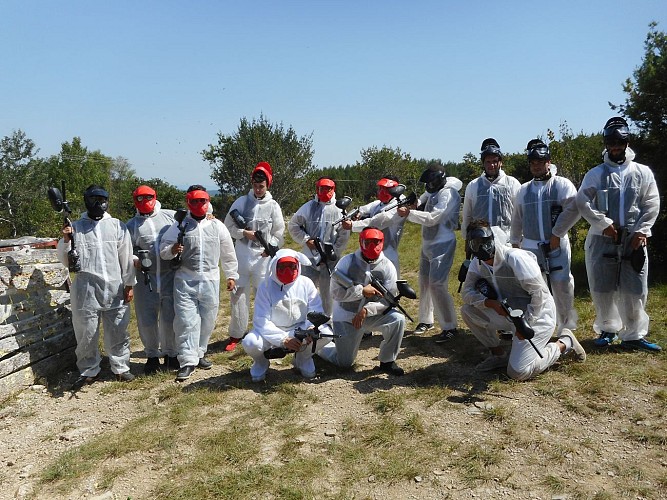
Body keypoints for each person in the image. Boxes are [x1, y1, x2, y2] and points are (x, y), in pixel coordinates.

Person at [461, 221, 586, 380]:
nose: (481, 248)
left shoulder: (515, 258)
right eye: (475, 243)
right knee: (468, 310)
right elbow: (467, 292)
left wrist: (525, 324)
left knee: (518, 372)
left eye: (484, 242)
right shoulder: (477, 264)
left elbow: (538, 294)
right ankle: (499, 355)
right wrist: (489, 303)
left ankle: (564, 343)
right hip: (508, 313)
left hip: (539, 315)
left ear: (492, 239)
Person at [576, 117, 661, 351]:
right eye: (610, 143)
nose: (615, 148)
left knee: (635, 288)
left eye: (619, 143)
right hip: (603, 239)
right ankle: (608, 329)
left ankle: (634, 335)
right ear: (606, 144)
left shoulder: (641, 173)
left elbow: (651, 203)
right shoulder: (596, 174)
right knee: (603, 287)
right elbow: (583, 201)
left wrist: (643, 230)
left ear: (626, 142)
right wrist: (602, 223)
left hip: (633, 239)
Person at [57, 185, 136, 386]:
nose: (99, 203)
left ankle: (120, 367)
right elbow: (65, 260)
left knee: (118, 329)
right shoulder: (75, 227)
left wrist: (129, 284)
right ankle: (89, 369)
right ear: (86, 200)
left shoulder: (118, 226)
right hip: (86, 289)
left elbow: (126, 258)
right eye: (94, 199)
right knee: (86, 332)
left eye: (102, 199)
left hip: (114, 287)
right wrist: (66, 239)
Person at [159, 185, 239, 381]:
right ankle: (187, 361)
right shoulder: (179, 226)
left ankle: (199, 353)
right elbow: (163, 250)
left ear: (208, 202)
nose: (199, 205)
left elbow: (228, 252)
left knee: (207, 320)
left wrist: (231, 275)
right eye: (194, 201)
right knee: (186, 321)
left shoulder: (216, 225)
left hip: (210, 280)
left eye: (202, 201)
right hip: (185, 280)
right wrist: (173, 249)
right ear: (188, 203)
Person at [510, 140, 581, 335]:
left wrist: (557, 233)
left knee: (561, 284)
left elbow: (574, 209)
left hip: (556, 244)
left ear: (548, 162)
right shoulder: (524, 190)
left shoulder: (561, 185)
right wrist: (515, 242)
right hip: (531, 246)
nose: (537, 166)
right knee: (536, 288)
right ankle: (542, 326)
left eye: (540, 162)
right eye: (533, 162)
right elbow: (517, 217)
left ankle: (566, 327)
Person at [317, 227, 406, 375]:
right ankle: (319, 347)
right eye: (367, 242)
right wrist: (361, 291)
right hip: (346, 316)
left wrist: (366, 310)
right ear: (360, 242)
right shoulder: (347, 262)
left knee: (397, 320)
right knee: (344, 363)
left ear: (382, 242)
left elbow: (388, 300)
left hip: (372, 315)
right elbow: (335, 293)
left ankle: (387, 362)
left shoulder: (387, 266)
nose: (372, 246)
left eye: (376, 242)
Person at [242, 249, 331, 382]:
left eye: (292, 266)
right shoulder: (265, 286)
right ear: (274, 266)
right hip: (273, 330)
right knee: (250, 342)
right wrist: (282, 339)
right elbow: (261, 320)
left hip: (299, 329)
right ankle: (261, 362)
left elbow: (314, 310)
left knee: (325, 333)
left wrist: (311, 328)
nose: (287, 270)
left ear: (298, 266)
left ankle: (303, 358)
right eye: (282, 267)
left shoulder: (306, 283)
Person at [223, 162, 285, 352]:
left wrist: (270, 248)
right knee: (238, 294)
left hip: (263, 257)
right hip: (242, 253)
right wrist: (243, 233)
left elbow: (279, 233)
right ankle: (236, 333)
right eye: (255, 186)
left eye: (262, 186)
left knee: (263, 294)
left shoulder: (273, 206)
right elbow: (228, 227)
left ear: (268, 185)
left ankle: (261, 330)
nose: (258, 189)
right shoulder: (241, 202)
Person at [397, 165, 462, 342]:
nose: (428, 185)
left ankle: (450, 326)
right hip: (428, 243)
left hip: (443, 243)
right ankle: (426, 320)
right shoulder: (433, 191)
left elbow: (433, 218)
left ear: (438, 180)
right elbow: (420, 200)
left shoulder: (448, 193)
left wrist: (409, 213)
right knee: (424, 283)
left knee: (438, 285)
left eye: (430, 182)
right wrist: (413, 203)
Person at [126, 185, 179, 374]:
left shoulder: (169, 216)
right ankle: (151, 356)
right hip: (145, 279)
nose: (144, 202)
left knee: (170, 317)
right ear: (135, 201)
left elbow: (190, 221)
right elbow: (126, 250)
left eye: (148, 197)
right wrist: (136, 261)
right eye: (139, 198)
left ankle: (171, 354)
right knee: (146, 318)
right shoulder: (131, 225)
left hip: (169, 275)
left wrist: (210, 216)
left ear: (155, 197)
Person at [288, 177, 350, 315]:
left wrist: (334, 253)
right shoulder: (309, 207)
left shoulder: (339, 210)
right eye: (321, 188)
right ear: (317, 189)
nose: (325, 192)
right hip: (309, 258)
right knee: (304, 291)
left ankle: (328, 323)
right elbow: (293, 225)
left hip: (330, 261)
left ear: (333, 190)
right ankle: (302, 320)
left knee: (328, 294)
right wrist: (306, 240)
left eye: (328, 189)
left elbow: (343, 235)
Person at [341, 175, 407, 276]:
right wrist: (357, 213)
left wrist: (353, 225)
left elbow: (377, 222)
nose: (382, 191)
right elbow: (363, 208)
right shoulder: (379, 203)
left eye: (386, 189)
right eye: (381, 188)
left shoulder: (399, 205)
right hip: (369, 249)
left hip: (387, 252)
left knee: (390, 285)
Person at [462, 138, 521, 240]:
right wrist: (467, 239)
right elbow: (467, 216)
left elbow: (520, 214)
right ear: (483, 163)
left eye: (495, 161)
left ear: (500, 162)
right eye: (488, 162)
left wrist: (518, 240)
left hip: (506, 242)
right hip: (480, 242)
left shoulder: (512, 184)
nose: (492, 165)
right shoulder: (473, 186)